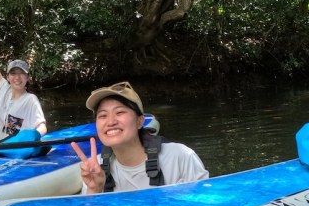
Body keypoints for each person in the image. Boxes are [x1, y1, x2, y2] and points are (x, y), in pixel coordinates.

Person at [72, 81, 208, 193]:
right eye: (102, 115)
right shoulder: (95, 168)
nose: (111, 121)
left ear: (139, 121)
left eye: (119, 112)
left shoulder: (179, 156)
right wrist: (95, 189)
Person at [0, 26, 47, 142]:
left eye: (21, 74)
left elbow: (42, 126)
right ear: (8, 77)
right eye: (13, 74)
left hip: (12, 151)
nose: (17, 78)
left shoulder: (30, 99)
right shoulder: (4, 89)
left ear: (27, 78)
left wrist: (33, 135)